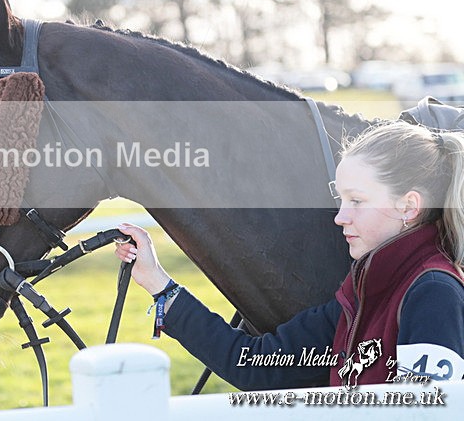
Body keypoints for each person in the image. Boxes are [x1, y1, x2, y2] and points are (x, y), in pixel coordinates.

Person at [115, 121, 464, 390]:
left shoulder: (432, 293)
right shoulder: (362, 291)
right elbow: (253, 364)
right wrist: (159, 284)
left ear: (409, 206)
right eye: (340, 200)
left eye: (357, 201)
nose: (340, 217)